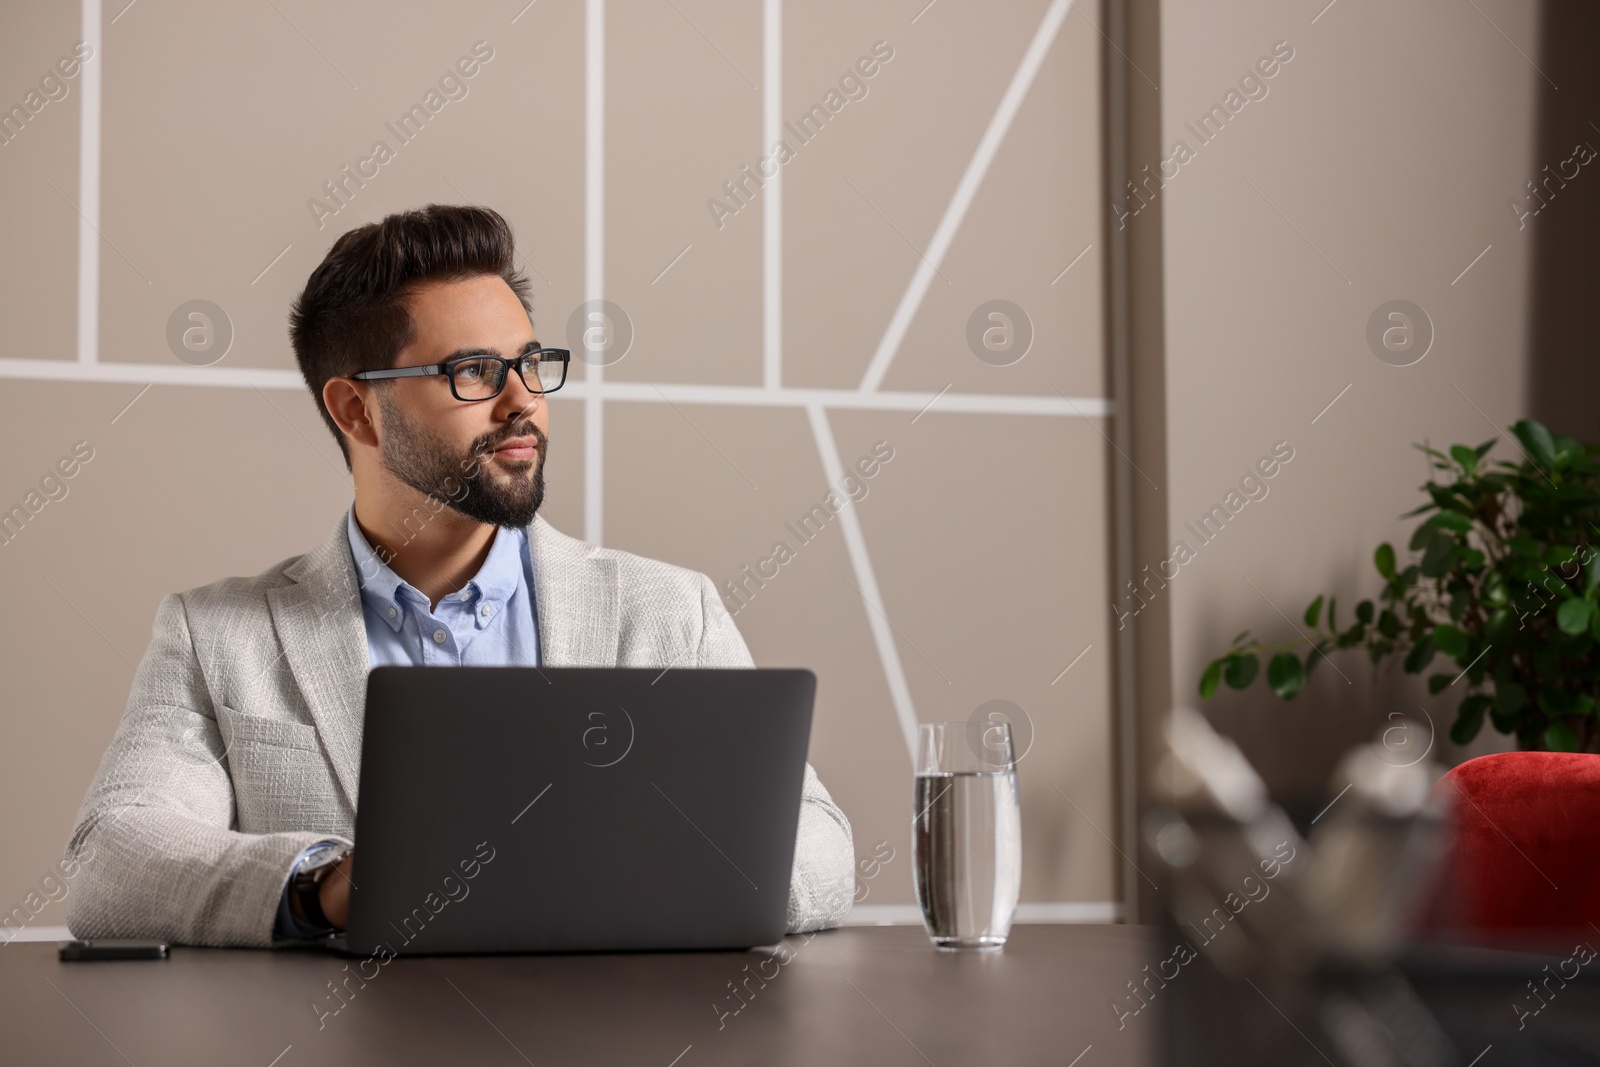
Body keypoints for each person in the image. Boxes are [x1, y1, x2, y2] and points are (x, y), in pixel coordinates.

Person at [61, 204, 854, 947]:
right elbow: (111, 860)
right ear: (356, 410)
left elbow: (818, 849)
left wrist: (622, 869)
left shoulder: (668, 610)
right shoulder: (219, 635)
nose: (522, 402)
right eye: (473, 371)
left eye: (531, 363)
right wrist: (327, 883)